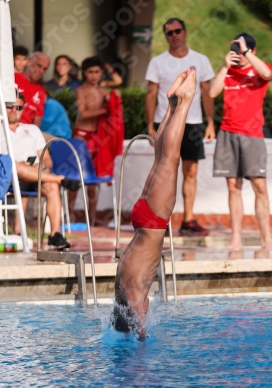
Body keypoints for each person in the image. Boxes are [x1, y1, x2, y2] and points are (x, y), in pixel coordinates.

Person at [113, 68, 196, 340]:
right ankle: (171, 107)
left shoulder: (133, 293)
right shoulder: (120, 287)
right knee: (160, 158)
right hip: (141, 221)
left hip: (151, 223)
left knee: (170, 160)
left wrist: (141, 336)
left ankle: (183, 102)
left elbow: (138, 312)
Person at [145, 18, 215, 237]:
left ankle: (188, 220)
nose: (174, 35)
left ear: (185, 33)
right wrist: (149, 125)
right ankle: (161, 219)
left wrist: (211, 121)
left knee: (191, 172)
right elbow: (151, 94)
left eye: (177, 31)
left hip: (193, 123)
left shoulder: (200, 60)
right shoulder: (157, 62)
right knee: (164, 172)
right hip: (165, 122)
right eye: (169, 32)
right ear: (166, 36)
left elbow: (207, 92)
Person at [209, 32, 272, 251]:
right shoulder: (227, 71)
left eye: (244, 49)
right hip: (228, 132)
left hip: (252, 134)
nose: (240, 53)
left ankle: (266, 237)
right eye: (236, 48)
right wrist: (225, 66)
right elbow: (212, 92)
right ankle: (236, 237)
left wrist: (247, 52)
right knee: (233, 187)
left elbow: (267, 73)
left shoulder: (258, 69)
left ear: (252, 50)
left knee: (260, 186)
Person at [1, 94, 80, 249]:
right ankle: (60, 179)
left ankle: (55, 234)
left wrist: (40, 166)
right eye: (10, 105)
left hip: (35, 172)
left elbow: (47, 159)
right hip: (9, 174)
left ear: (22, 110)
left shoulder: (32, 129)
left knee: (51, 186)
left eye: (18, 107)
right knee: (15, 166)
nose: (13, 110)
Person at [71, 56, 109, 226]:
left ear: (101, 73)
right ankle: (70, 214)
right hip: (81, 135)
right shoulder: (81, 90)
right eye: (90, 72)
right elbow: (83, 113)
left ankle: (91, 218)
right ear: (85, 73)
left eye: (97, 72)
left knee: (94, 179)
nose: (94, 75)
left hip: (97, 136)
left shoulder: (104, 91)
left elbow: (115, 109)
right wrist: (105, 110)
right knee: (75, 176)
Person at [15, 52, 50, 127]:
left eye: (44, 69)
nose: (41, 71)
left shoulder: (41, 92)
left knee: (55, 138)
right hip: (7, 128)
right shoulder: (13, 78)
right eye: (39, 66)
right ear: (29, 62)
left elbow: (36, 123)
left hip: (26, 132)